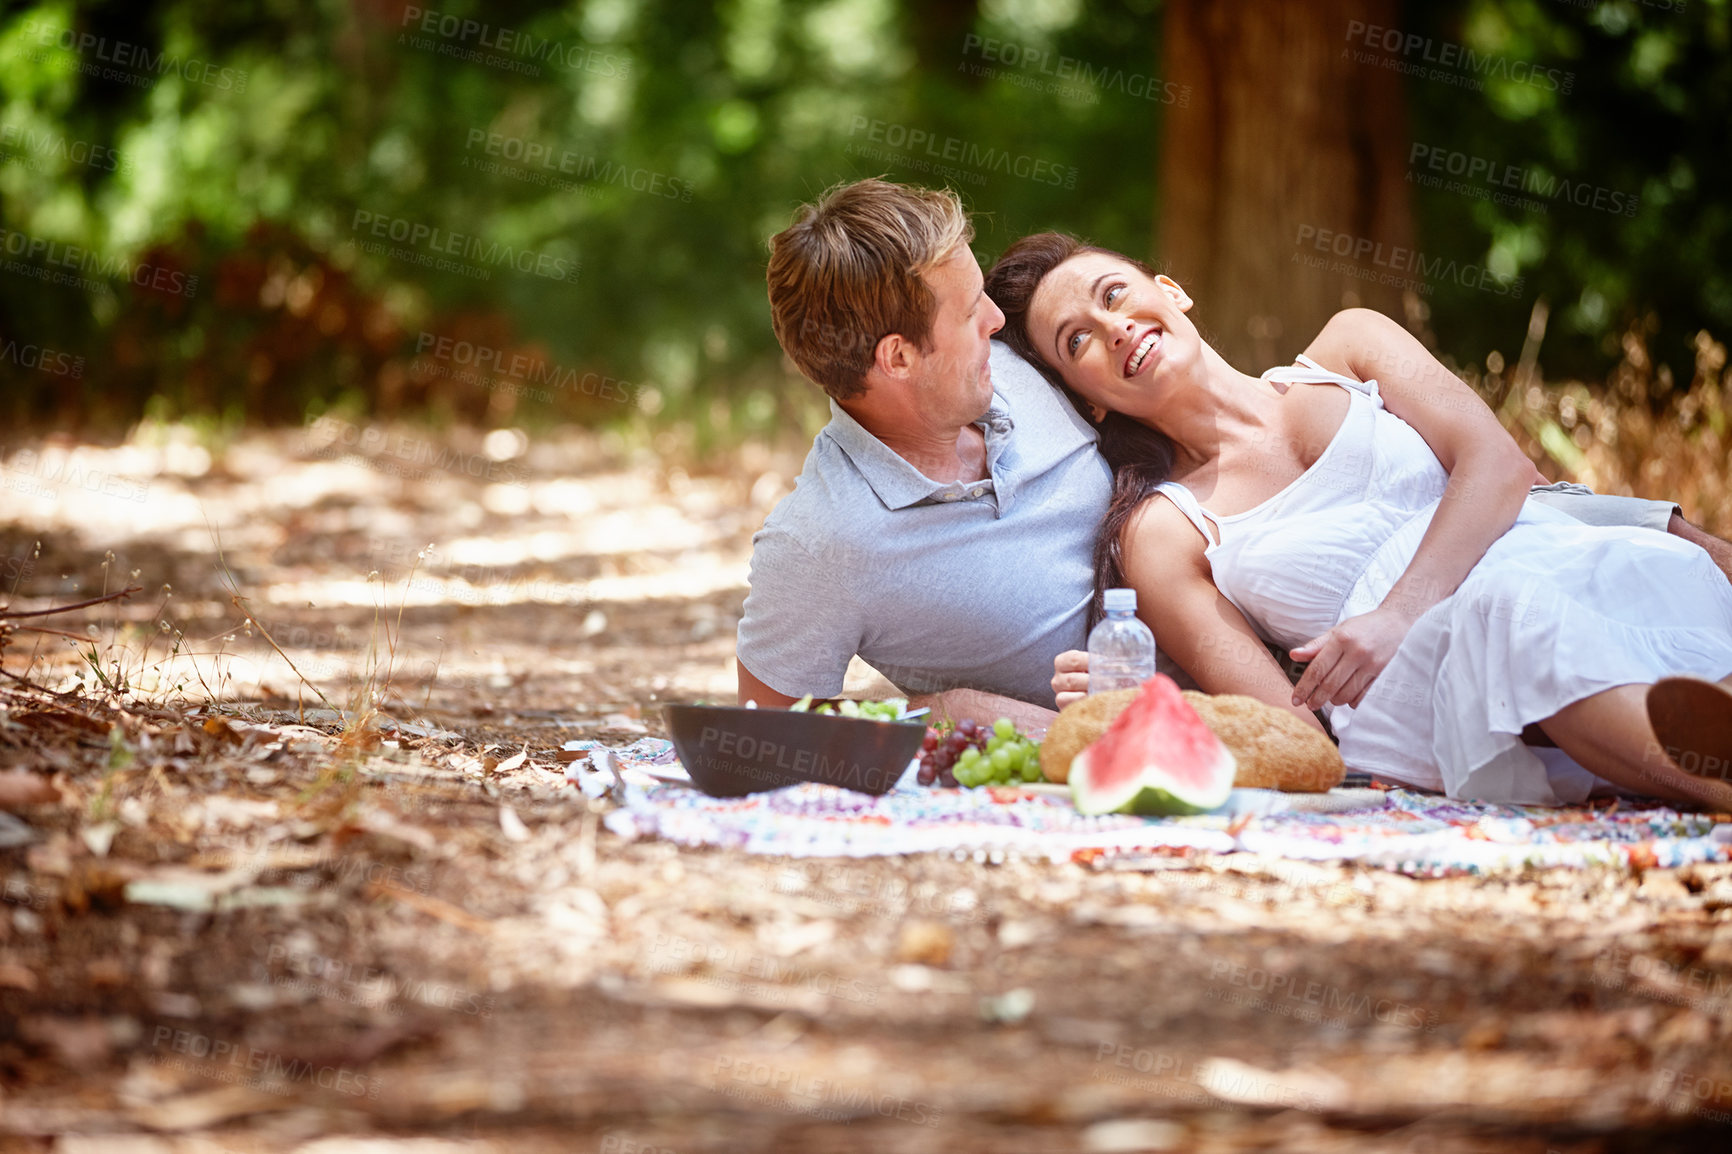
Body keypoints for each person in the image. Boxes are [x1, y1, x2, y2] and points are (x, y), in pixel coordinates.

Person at [736, 179, 1731, 744]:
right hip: (1249, 705)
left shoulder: (1011, 369)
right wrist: (942, 710)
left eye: (1117, 295)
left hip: (1471, 566)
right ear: (895, 358)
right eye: (971, 316)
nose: (998, 325)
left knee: (1659, 558)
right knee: (1516, 619)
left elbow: (1481, 464)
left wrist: (1600, 512)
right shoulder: (824, 539)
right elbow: (764, 735)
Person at [982, 231, 1732, 809]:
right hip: (1417, 692)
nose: (1111, 328)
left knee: (1637, 584)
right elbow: (1290, 729)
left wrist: (1401, 609)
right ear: (1089, 402)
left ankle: (1700, 739)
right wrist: (1146, 704)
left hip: (1551, 555)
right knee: (1507, 610)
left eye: (1114, 294)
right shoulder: (1165, 531)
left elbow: (1499, 465)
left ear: (1171, 292)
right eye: (1076, 340)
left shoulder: (1351, 345)